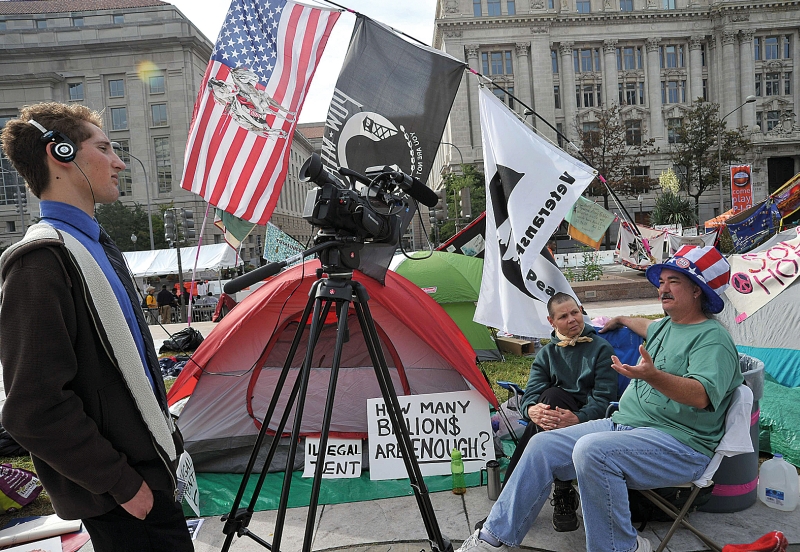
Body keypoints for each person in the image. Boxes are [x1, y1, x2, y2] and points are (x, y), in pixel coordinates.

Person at [457, 245, 742, 552]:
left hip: (679, 444)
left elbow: (701, 396)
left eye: (673, 281)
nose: (662, 287)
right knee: (542, 445)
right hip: (625, 425)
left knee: (593, 451)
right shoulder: (666, 327)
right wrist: (621, 317)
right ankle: (493, 539)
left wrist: (652, 376)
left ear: (698, 290)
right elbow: (647, 325)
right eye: (662, 281)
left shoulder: (713, 339)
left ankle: (621, 547)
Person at [0, 102, 192, 552]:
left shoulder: (94, 247)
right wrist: (122, 485)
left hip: (148, 478)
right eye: (104, 148)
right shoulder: (41, 262)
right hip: (122, 496)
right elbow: (34, 408)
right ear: (60, 153)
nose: (119, 161)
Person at [500, 292, 616, 532]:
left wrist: (578, 418)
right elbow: (531, 393)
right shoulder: (547, 354)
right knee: (549, 398)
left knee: (551, 399)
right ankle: (563, 490)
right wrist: (531, 410)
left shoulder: (601, 349)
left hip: (587, 419)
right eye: (563, 316)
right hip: (553, 417)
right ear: (551, 322)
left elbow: (604, 398)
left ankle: (508, 503)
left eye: (575, 312)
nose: (572, 319)